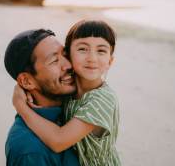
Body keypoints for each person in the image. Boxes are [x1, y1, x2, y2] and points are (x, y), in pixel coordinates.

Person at [13, 20, 121, 166]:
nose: (92, 58)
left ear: (110, 61)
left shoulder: (102, 100)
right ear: (70, 54)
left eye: (101, 51)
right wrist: (21, 86)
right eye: (82, 49)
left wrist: (21, 106)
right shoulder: (72, 86)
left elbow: (58, 141)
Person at [4, 29, 80, 166]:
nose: (68, 65)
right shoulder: (30, 151)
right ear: (27, 81)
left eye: (65, 54)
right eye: (54, 61)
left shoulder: (76, 106)